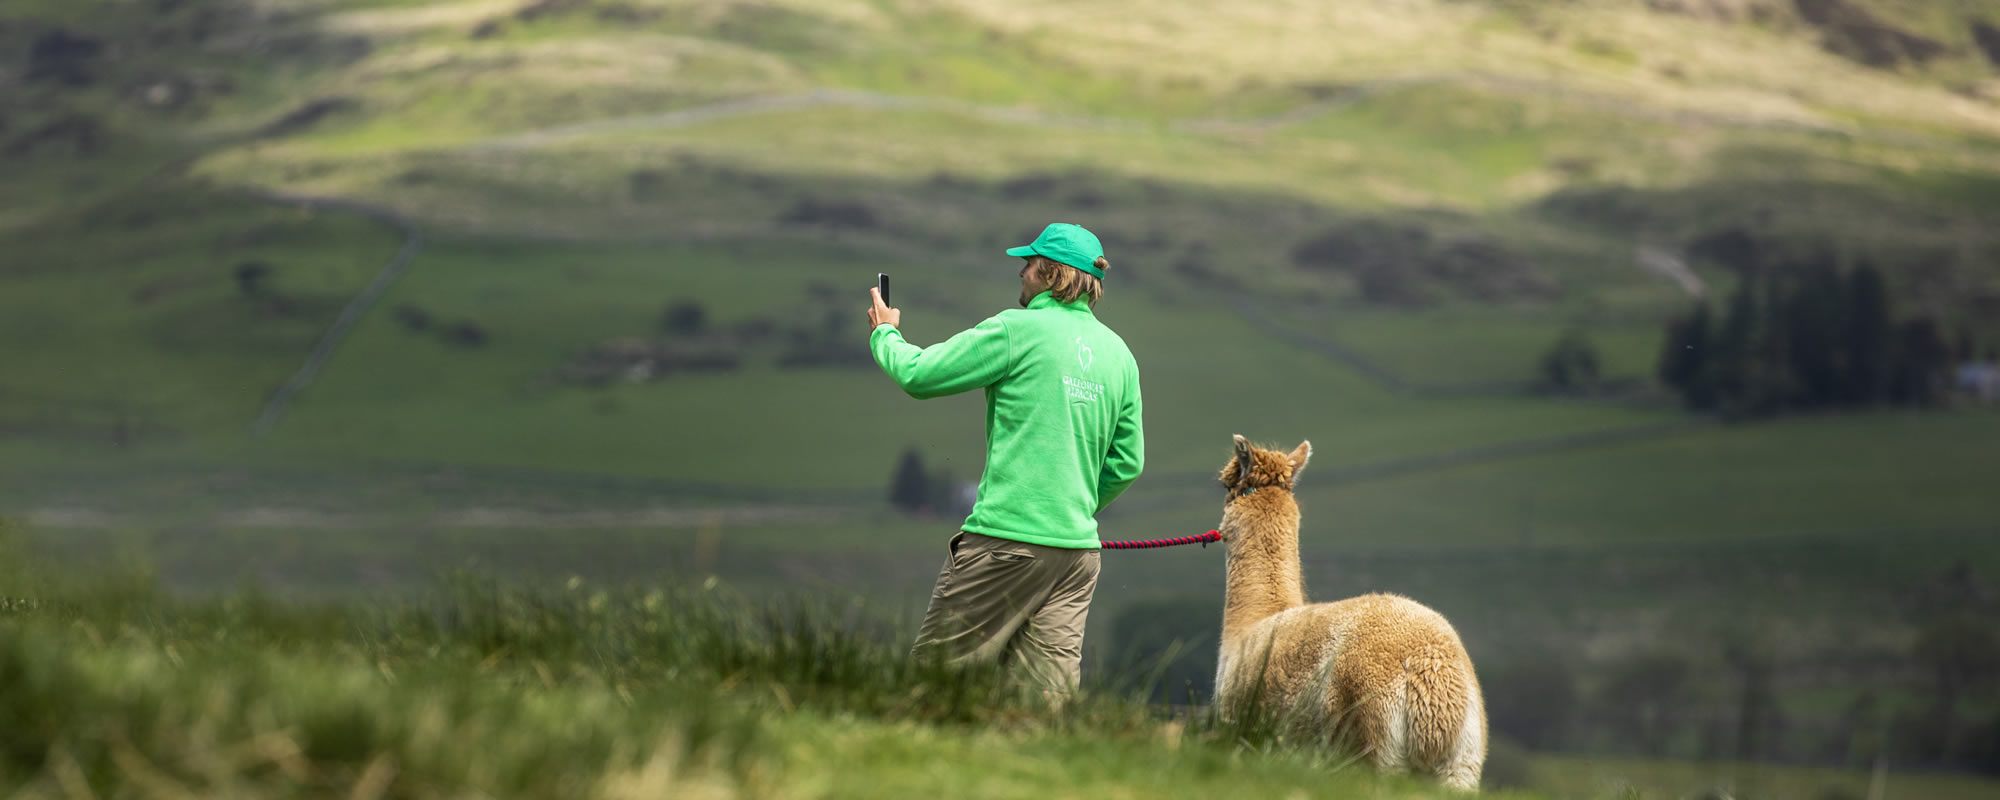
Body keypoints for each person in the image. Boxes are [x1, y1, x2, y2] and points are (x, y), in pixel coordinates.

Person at [865, 222, 1145, 695]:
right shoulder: (1119, 355)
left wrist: (885, 335)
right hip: (1076, 555)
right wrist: (1068, 507)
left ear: (1052, 274)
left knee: (930, 685)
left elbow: (919, 375)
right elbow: (1128, 463)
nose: (1021, 271)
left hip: (1003, 544)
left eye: (1030, 263)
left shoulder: (1016, 330)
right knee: (1042, 705)